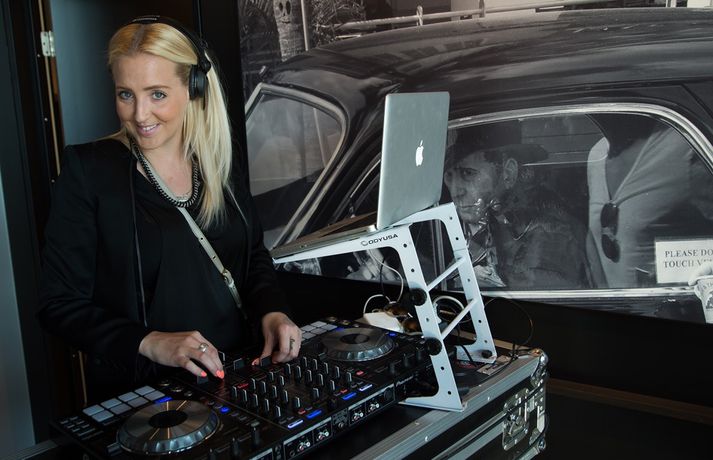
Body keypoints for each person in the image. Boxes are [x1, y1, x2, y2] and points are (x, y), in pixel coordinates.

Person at [37, 16, 301, 402]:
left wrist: (273, 311)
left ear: (194, 89)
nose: (139, 114)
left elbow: (253, 257)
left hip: (239, 377)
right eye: (126, 94)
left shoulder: (218, 164)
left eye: (157, 94)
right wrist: (149, 341)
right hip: (148, 400)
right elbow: (57, 304)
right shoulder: (89, 171)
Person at [443, 123, 589, 289]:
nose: (455, 191)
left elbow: (543, 295)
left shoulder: (554, 233)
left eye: (468, 173)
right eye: (449, 176)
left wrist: (476, 280)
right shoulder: (494, 222)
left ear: (508, 173)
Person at [586, 113, 713, 289]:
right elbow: (593, 238)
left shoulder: (686, 146)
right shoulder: (597, 155)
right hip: (617, 304)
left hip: (679, 304)